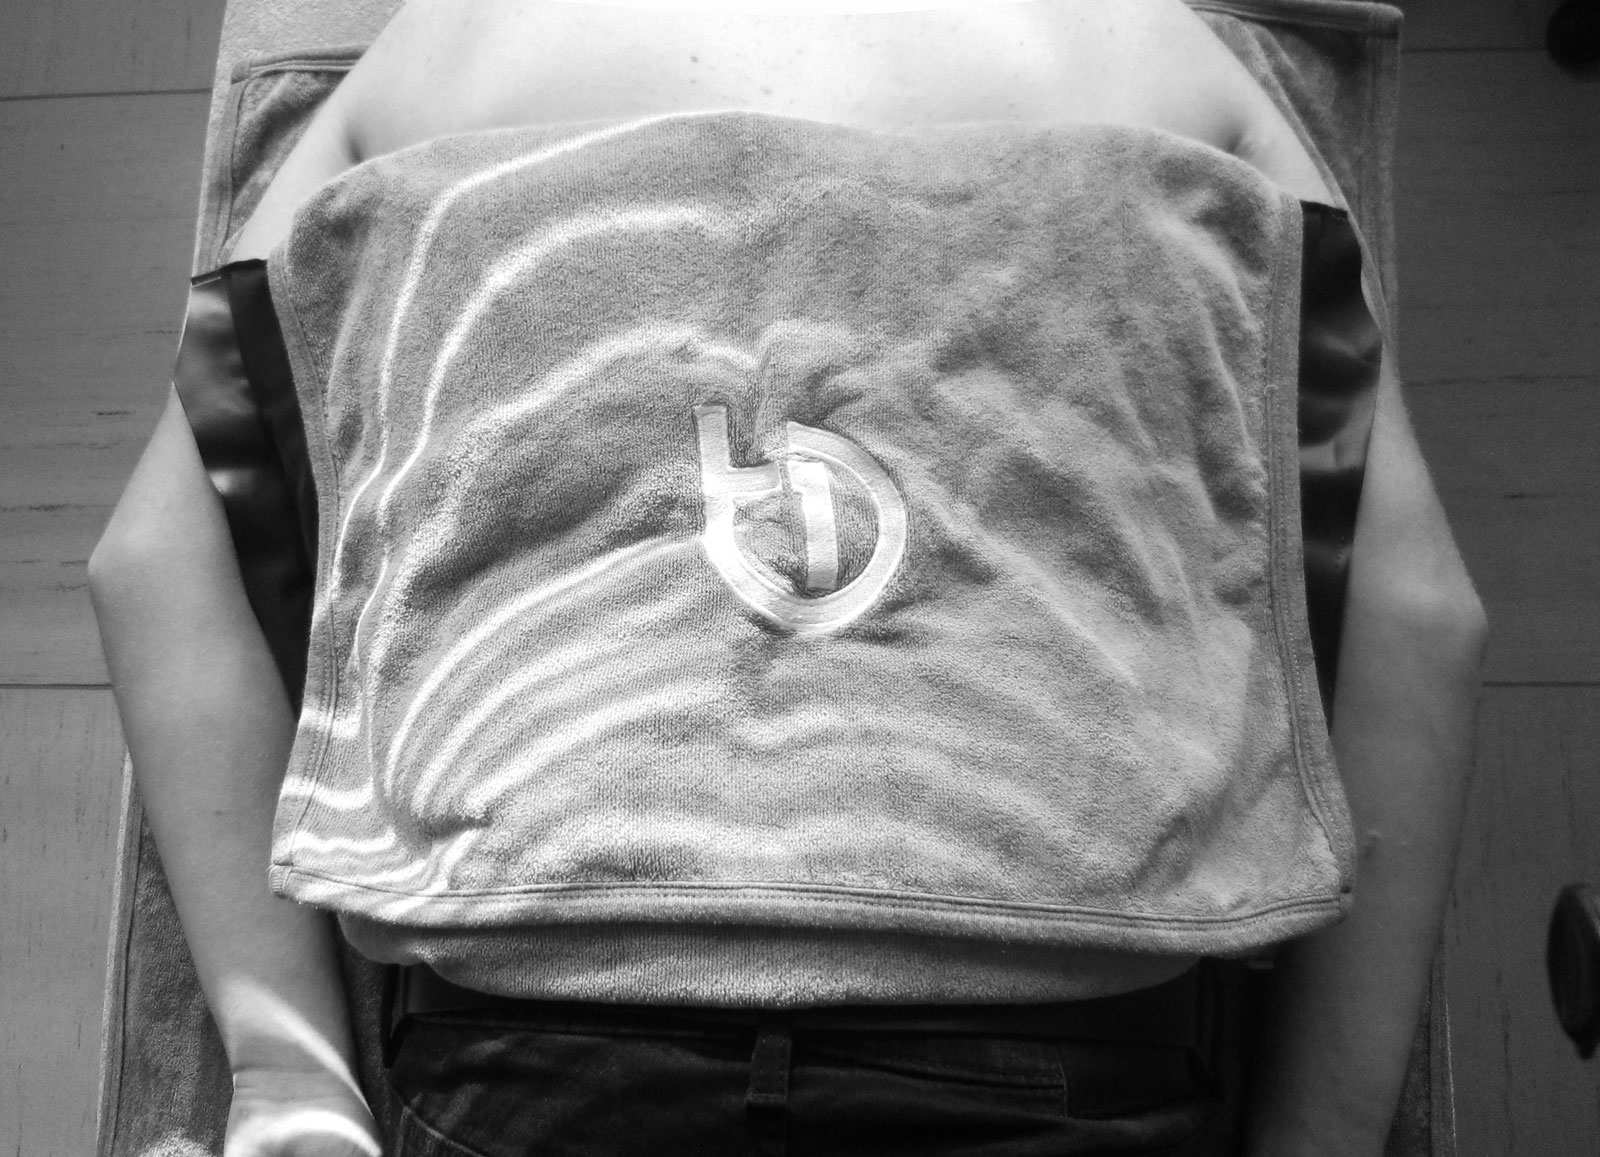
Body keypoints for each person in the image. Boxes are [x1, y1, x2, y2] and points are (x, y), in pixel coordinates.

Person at [87, 0, 1488, 1154]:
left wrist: (286, 1066)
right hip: (1069, 1025)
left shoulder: (444, 50)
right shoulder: (1168, 59)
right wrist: (1320, 1137)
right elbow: (1417, 614)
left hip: (536, 1030)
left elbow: (156, 561)